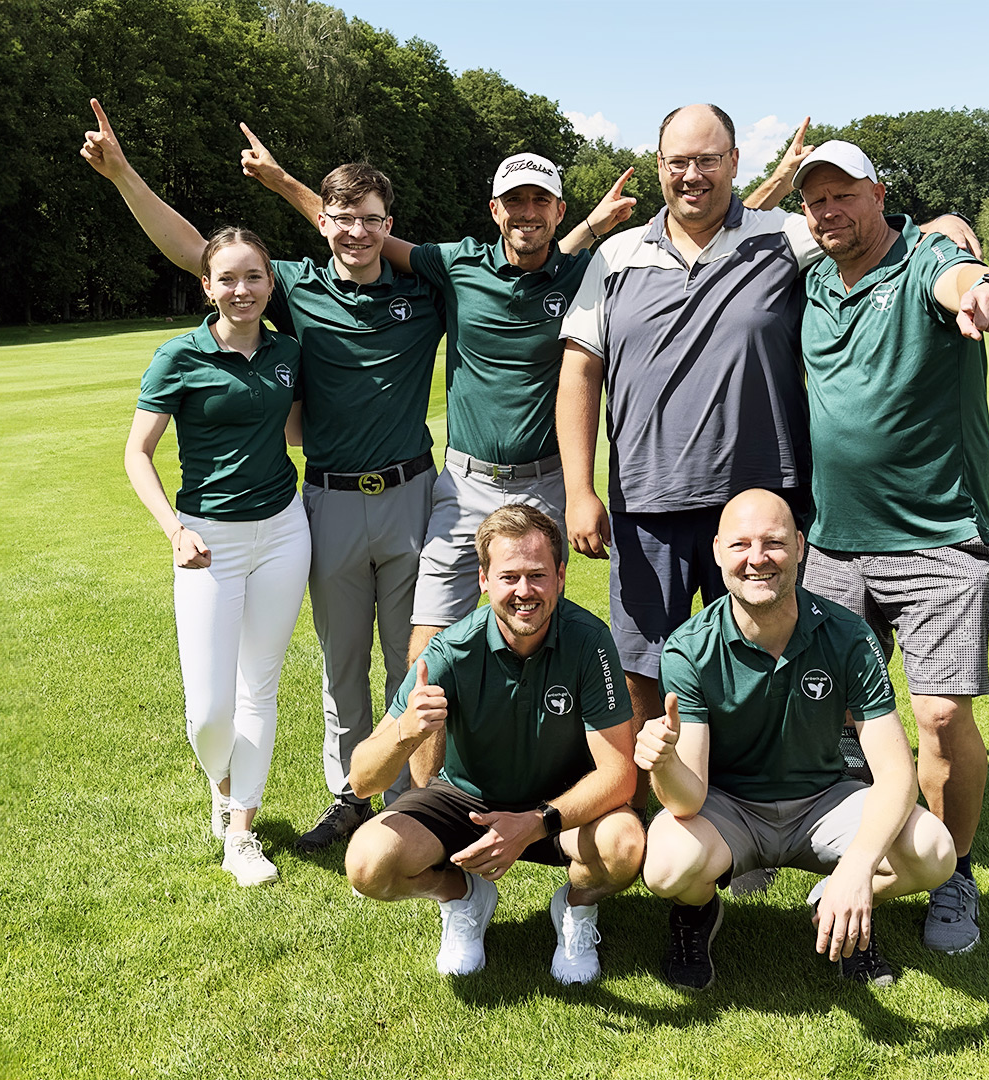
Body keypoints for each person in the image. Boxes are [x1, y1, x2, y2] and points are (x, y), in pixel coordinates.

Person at [556, 105, 979, 816]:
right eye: (677, 161)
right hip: (645, 505)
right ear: (660, 166)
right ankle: (644, 818)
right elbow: (578, 371)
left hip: (759, 514)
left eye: (708, 159)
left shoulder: (783, 238)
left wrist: (949, 228)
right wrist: (578, 488)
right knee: (644, 675)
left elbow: (874, 232)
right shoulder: (616, 256)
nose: (692, 174)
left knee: (755, 673)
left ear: (734, 163)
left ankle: (746, 811)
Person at [82, 101, 441, 854]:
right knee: (341, 667)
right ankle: (350, 797)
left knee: (410, 662)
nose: (355, 231)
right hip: (328, 503)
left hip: (411, 496)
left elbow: (486, 262)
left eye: (372, 219)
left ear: (389, 223)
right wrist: (123, 175)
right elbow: (200, 251)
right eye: (341, 218)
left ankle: (411, 801)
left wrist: (283, 181)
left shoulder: (424, 290)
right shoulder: (295, 289)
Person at [233, 129, 635, 671]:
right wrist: (282, 182)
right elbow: (355, 232)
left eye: (541, 200)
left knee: (537, 638)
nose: (527, 211)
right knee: (427, 652)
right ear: (494, 209)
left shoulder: (583, 272)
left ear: (560, 210)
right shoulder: (456, 266)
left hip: (547, 483)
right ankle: (422, 756)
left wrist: (592, 230)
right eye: (515, 200)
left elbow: (687, 244)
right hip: (465, 484)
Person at [788, 140, 989, 954]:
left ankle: (953, 871)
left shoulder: (925, 258)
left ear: (878, 194)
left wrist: (982, 288)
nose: (827, 211)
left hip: (939, 536)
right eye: (813, 201)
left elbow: (960, 274)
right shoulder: (812, 276)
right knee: (839, 715)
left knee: (941, 713)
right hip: (835, 544)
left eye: (843, 194)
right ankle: (861, 845)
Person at [636, 490, 956, 989]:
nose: (757, 558)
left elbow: (896, 774)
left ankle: (840, 902)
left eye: (774, 542)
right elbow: (689, 797)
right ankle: (695, 916)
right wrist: (663, 765)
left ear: (801, 547)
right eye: (741, 544)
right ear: (718, 551)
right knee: (666, 864)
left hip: (825, 803)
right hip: (731, 809)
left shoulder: (848, 634)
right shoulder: (690, 648)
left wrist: (856, 870)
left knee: (934, 850)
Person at [344, 506, 642, 984]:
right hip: (467, 800)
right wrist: (405, 732)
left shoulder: (589, 641)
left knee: (624, 844)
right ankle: (462, 896)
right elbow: (361, 780)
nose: (524, 592)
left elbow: (618, 772)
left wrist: (534, 823)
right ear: (483, 580)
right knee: (367, 864)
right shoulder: (449, 650)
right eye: (509, 577)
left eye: (538, 575)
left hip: (557, 803)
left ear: (561, 577)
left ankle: (577, 910)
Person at [122, 227, 311, 886]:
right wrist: (175, 530)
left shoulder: (288, 351)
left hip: (285, 533)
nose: (242, 290)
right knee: (207, 711)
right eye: (227, 279)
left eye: (254, 277)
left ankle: (241, 833)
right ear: (206, 287)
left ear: (269, 283)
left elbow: (295, 429)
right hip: (207, 543)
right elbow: (136, 454)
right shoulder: (178, 357)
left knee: (258, 689)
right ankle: (224, 780)